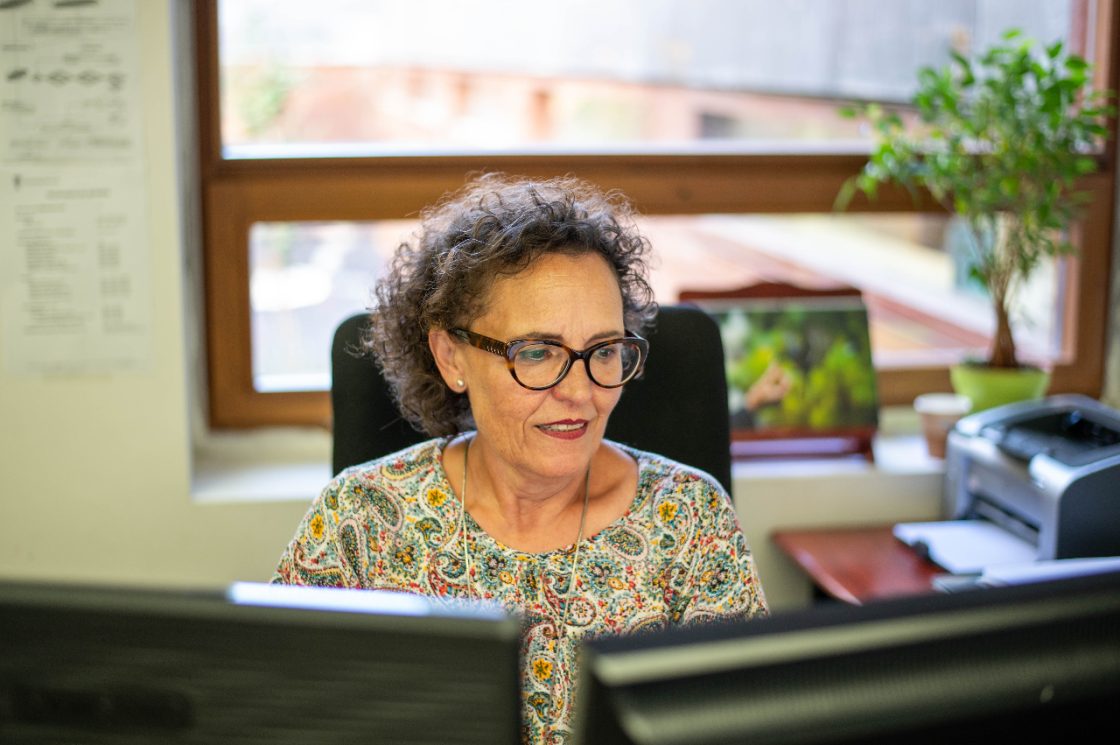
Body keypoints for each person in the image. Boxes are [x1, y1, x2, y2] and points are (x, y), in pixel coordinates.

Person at [272, 173, 768, 744]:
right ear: (451, 356)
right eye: (536, 352)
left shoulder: (690, 520)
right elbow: (283, 716)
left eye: (604, 351)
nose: (581, 393)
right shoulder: (359, 517)